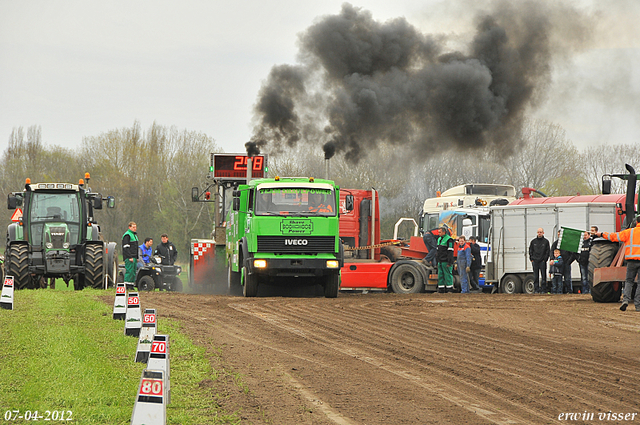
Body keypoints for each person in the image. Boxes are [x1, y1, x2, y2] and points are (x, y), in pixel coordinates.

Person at [596, 221, 640, 311]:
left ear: (636, 222)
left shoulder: (629, 232)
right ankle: (638, 305)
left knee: (629, 281)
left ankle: (625, 301)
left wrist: (601, 234)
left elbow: (614, 237)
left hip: (631, 261)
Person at [529, 228, 550, 294]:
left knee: (543, 276)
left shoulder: (546, 241)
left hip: (542, 261)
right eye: (538, 232)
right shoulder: (533, 242)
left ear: (543, 233)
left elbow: (547, 251)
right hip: (535, 261)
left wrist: (545, 259)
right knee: (535, 276)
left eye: (540, 232)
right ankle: (536, 289)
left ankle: (543, 289)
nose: (539, 233)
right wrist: (531, 259)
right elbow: (530, 250)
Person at [436, 226, 455, 293]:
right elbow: (437, 251)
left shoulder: (449, 240)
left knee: (447, 275)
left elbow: (450, 252)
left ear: (444, 232)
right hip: (440, 261)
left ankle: (449, 289)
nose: (439, 233)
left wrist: (449, 262)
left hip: (446, 261)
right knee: (440, 275)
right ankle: (441, 289)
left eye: (440, 232)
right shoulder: (439, 239)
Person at [122, 222, 139, 286]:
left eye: (135, 227)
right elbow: (126, 247)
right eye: (133, 227)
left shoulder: (135, 236)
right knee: (129, 271)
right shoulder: (127, 235)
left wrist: (137, 257)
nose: (135, 228)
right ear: (129, 227)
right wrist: (129, 257)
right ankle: (127, 285)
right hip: (129, 257)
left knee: (133, 271)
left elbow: (136, 248)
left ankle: (131, 284)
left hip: (134, 256)